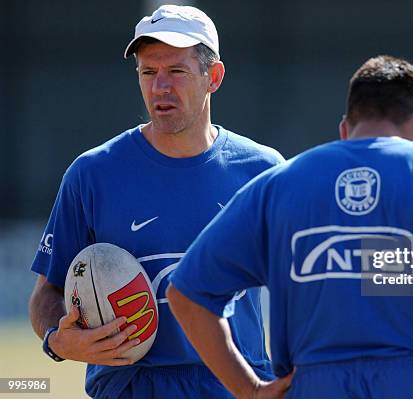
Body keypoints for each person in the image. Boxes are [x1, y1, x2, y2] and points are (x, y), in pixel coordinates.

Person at [167, 55, 413, 398]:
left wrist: (249, 390)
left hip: (312, 385)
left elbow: (187, 293)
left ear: (345, 128)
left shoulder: (279, 185)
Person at [28, 4, 283, 398]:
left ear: (212, 76)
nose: (159, 87)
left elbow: (301, 285)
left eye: (176, 71)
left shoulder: (262, 170)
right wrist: (57, 340)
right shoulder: (92, 173)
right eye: (148, 72)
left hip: (232, 386)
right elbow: (48, 291)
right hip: (129, 387)